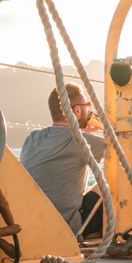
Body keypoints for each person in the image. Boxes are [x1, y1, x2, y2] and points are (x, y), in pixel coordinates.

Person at [20, 84, 105, 234]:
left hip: (30, 225)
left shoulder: (32, 138)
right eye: (87, 105)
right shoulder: (81, 141)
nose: (89, 109)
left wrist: (82, 129)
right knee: (110, 187)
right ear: (77, 110)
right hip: (67, 230)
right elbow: (121, 150)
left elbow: (63, 139)